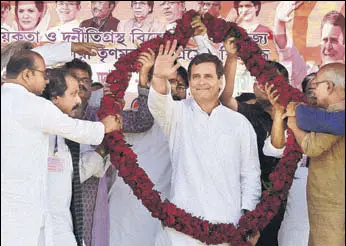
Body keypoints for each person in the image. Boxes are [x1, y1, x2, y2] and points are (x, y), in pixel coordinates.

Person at [1, 50, 120, 246]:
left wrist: (69, 47)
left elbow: (24, 57)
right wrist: (104, 126)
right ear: (27, 75)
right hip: (27, 213)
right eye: (43, 74)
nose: (46, 81)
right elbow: (76, 129)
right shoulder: (33, 104)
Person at [148, 40, 261, 246]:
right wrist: (158, 77)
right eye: (196, 77)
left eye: (208, 76)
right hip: (182, 226)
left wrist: (249, 219)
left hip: (228, 224)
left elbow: (250, 174)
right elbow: (158, 105)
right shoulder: (177, 113)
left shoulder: (239, 123)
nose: (201, 82)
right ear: (189, 82)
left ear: (221, 81)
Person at [109, 49, 189, 246]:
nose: (175, 89)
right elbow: (144, 118)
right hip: (126, 202)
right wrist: (144, 80)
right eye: (170, 82)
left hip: (164, 202)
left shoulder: (188, 118)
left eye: (180, 85)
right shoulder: (132, 117)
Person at [220, 36, 289, 246]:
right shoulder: (249, 110)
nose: (261, 84)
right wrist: (231, 58)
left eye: (268, 79)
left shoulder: (294, 115)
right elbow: (224, 99)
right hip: (244, 193)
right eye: (258, 78)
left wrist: (279, 112)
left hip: (276, 197)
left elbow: (278, 149)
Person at [42, 67, 119, 246]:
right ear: (55, 98)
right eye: (73, 93)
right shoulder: (43, 131)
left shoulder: (69, 129)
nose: (79, 99)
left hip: (63, 223)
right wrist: (102, 134)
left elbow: (73, 173)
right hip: (43, 225)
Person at [282, 63, 345, 246]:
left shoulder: (335, 112)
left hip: (333, 204)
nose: (313, 90)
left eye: (316, 85)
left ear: (329, 86)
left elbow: (312, 146)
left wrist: (293, 121)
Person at [274, 2, 345, 91]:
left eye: (334, 40)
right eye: (325, 40)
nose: (328, 46)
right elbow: (286, 53)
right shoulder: (308, 73)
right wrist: (279, 22)